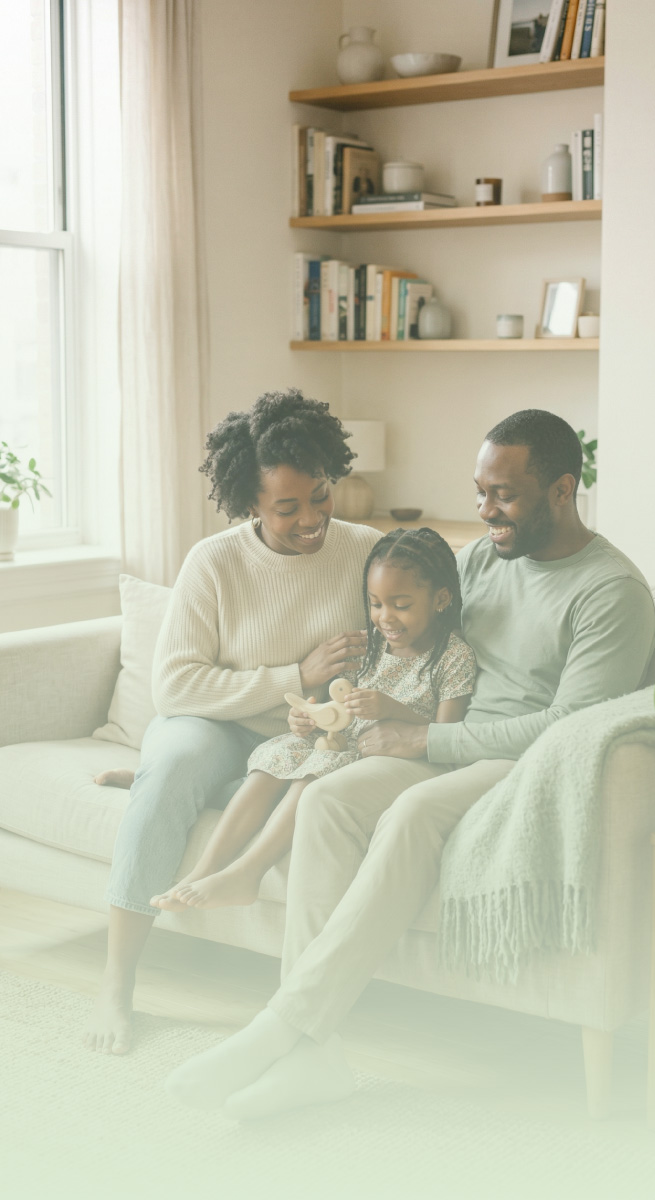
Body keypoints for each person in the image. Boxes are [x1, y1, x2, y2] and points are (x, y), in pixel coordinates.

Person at [165, 408, 655, 1121]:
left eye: (505, 495)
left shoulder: (611, 592)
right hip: (444, 740)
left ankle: (282, 1025)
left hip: (520, 762)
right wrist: (366, 706)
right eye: (480, 491)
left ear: (562, 490)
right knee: (328, 800)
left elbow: (567, 732)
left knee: (414, 811)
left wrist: (426, 741)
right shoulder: (490, 557)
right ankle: (317, 1059)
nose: (486, 512)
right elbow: (424, 645)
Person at [83, 390, 383, 1056]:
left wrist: (325, 703)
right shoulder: (213, 562)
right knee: (174, 772)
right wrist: (294, 675)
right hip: (211, 723)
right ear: (250, 502)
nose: (312, 519)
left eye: (321, 495)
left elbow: (401, 654)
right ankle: (116, 982)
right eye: (288, 508)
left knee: (293, 768)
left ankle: (171, 777)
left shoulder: (368, 552)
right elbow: (177, 685)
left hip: (308, 733)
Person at [155, 528, 476, 911]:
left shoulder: (453, 656)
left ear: (440, 598)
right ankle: (203, 870)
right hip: (340, 745)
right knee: (273, 763)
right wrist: (308, 717)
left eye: (401, 604)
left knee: (311, 776)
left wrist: (392, 709)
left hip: (389, 759)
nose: (385, 617)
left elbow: (446, 738)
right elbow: (333, 701)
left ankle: (248, 873)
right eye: (375, 604)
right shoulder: (368, 644)